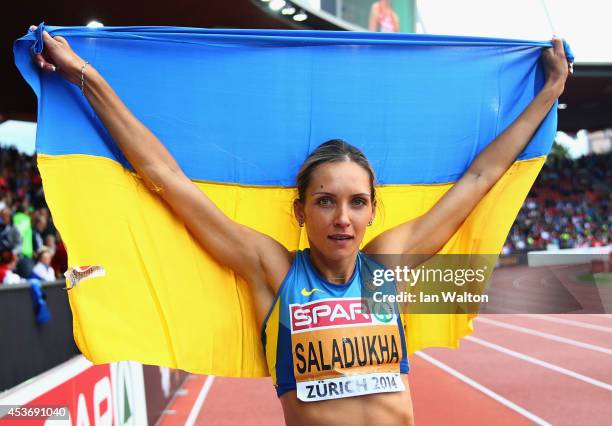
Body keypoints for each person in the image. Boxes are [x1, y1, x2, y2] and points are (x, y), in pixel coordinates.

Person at [31, 26, 569, 425]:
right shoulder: (273, 270)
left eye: (358, 202)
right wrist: (85, 75)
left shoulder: (386, 265)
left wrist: (548, 93)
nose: (343, 217)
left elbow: (479, 178)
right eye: (326, 201)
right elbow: (165, 177)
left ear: (372, 211)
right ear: (301, 211)